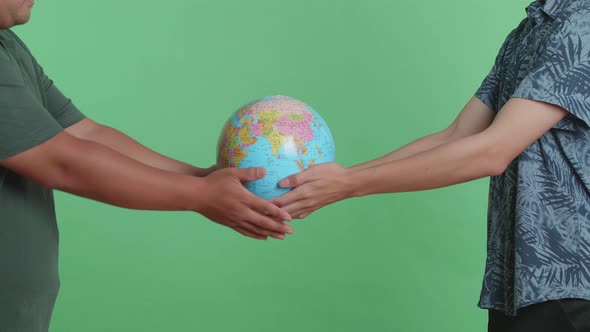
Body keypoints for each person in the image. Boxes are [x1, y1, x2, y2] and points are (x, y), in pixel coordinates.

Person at [272, 0, 590, 331]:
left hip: (570, 280)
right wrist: (342, 178)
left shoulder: (582, 25)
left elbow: (494, 151)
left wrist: (348, 185)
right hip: (519, 283)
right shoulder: (530, 30)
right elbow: (455, 135)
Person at [0, 0, 293, 331]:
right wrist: (199, 195)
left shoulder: (8, 46)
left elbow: (83, 132)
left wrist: (201, 177)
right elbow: (60, 161)